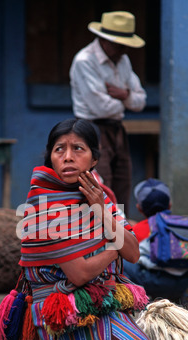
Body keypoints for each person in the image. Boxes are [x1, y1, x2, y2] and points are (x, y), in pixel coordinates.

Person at [13, 118, 171, 340]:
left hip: (102, 305)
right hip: (64, 317)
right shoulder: (44, 205)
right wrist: (114, 244)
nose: (68, 156)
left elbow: (133, 253)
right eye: (59, 149)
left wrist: (100, 209)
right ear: (50, 156)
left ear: (95, 158)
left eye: (78, 149)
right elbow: (80, 274)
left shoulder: (100, 196)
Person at [70, 11, 146, 216]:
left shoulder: (123, 61)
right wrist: (127, 100)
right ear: (105, 40)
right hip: (91, 129)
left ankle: (120, 238)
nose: (124, 49)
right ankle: (98, 239)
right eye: (120, 44)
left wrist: (124, 95)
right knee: (100, 186)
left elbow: (140, 101)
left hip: (116, 129)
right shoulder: (84, 61)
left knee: (122, 184)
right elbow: (100, 106)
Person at [123, 178, 188, 301]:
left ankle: (138, 300)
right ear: (170, 205)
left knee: (121, 262)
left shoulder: (136, 230)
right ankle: (180, 299)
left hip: (156, 284)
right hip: (183, 283)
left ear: (139, 208)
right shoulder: (181, 225)